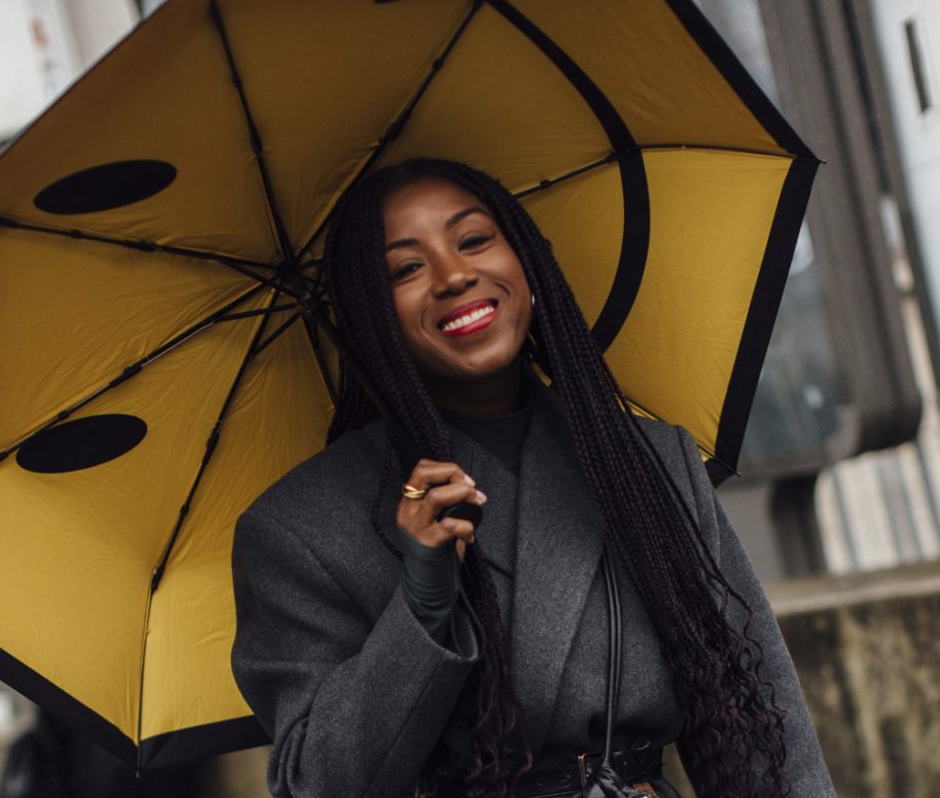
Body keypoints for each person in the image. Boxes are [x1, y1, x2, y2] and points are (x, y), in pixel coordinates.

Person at [230, 158, 836, 798]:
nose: (454, 275)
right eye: (405, 269)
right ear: (368, 317)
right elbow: (315, 786)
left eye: (474, 240)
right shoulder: (299, 530)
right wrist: (423, 602)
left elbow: (767, 744)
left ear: (527, 260)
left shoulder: (649, 462)